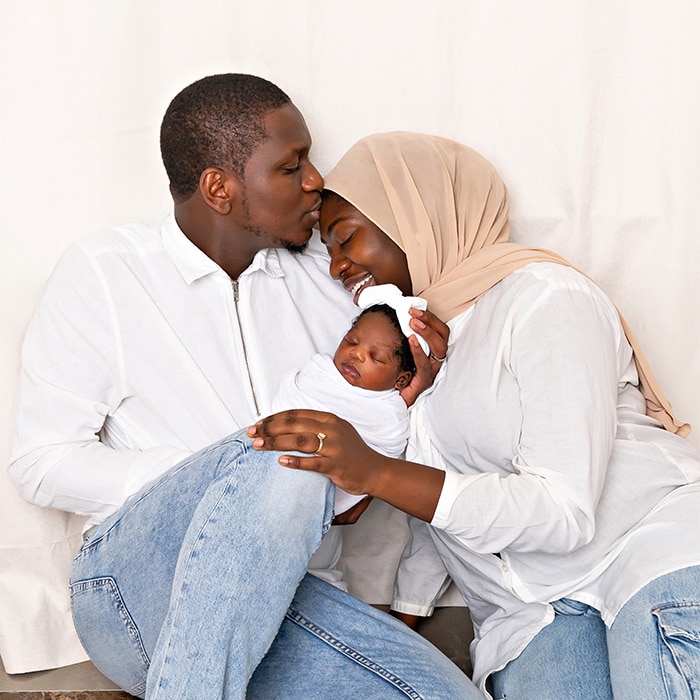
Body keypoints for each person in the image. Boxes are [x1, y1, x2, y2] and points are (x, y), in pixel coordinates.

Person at [8, 79, 483, 700]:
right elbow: (40, 464)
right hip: (137, 586)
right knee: (288, 458)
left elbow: (385, 445)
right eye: (292, 166)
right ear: (219, 188)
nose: (316, 180)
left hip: (288, 599)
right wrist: (224, 477)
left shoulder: (333, 280)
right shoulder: (105, 273)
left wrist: (408, 406)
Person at [248, 131, 700, 700]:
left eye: (345, 239)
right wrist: (408, 405)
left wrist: (375, 471)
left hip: (650, 550)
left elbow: (564, 511)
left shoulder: (543, 298)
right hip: (525, 617)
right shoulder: (407, 359)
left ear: (417, 217)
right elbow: (380, 512)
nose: (337, 266)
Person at [273, 286, 426, 514]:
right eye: (351, 341)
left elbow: (384, 453)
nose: (356, 354)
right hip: (270, 459)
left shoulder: (389, 413)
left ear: (401, 380)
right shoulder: (320, 370)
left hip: (313, 496)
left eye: (375, 357)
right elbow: (288, 400)